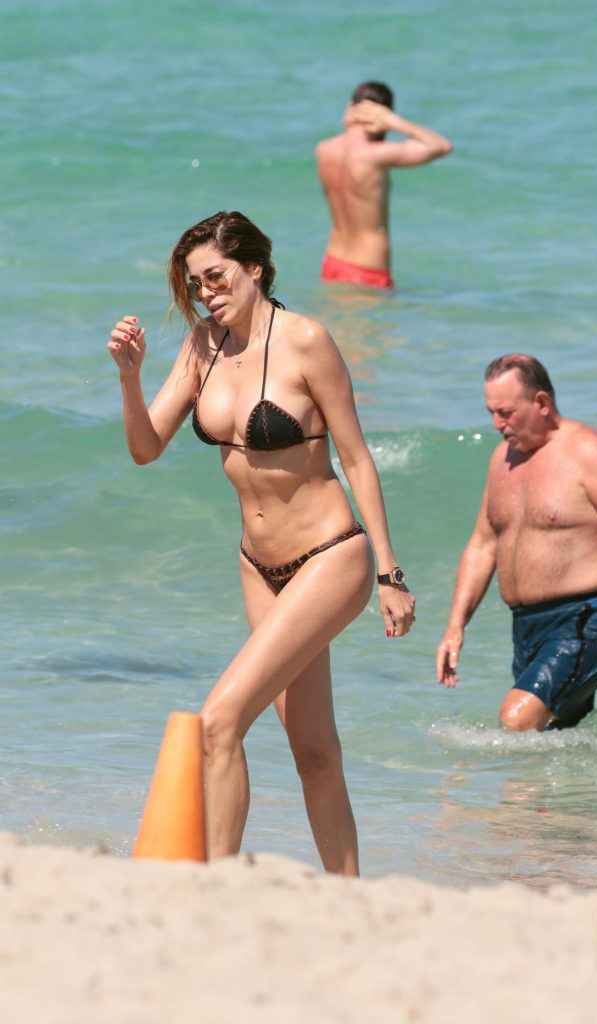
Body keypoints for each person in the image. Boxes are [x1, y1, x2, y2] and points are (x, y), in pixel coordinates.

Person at [107, 210, 415, 874]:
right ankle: (347, 894)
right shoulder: (202, 347)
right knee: (313, 751)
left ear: (253, 267)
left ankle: (216, 887)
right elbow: (144, 447)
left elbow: (356, 459)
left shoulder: (306, 341)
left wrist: (389, 574)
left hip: (330, 555)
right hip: (258, 567)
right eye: (196, 284)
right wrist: (130, 377)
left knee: (219, 720)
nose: (206, 293)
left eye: (216, 277)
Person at [436, 354, 597, 731]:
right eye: (491, 413)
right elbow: (483, 544)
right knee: (551, 738)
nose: (497, 424)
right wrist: (455, 626)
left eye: (506, 413)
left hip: (589, 616)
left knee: (516, 721)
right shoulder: (502, 460)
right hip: (527, 626)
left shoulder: (587, 452)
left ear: (542, 403)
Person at [315, 80, 453, 290]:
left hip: (332, 261)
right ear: (382, 114)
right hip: (368, 268)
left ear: (351, 107)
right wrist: (394, 121)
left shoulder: (324, 149)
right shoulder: (376, 154)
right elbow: (441, 146)